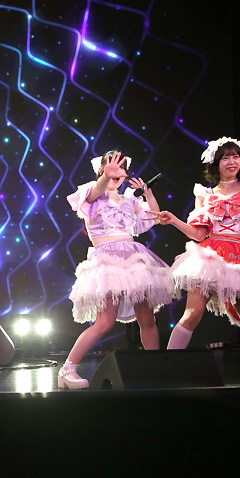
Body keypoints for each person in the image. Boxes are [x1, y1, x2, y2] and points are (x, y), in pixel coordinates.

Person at [150, 89, 240, 386]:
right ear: (215, 163)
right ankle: (167, 369)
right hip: (210, 257)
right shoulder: (205, 194)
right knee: (192, 313)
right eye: (226, 157)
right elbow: (198, 234)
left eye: (235, 156)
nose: (232, 161)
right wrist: (173, 219)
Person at [60, 151, 174, 389]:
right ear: (102, 170)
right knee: (104, 322)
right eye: (111, 167)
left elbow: (152, 219)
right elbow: (97, 190)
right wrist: (105, 177)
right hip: (107, 263)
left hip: (134, 260)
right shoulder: (92, 193)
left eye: (121, 168)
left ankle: (155, 368)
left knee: (147, 317)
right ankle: (67, 370)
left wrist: (149, 195)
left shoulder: (130, 200)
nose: (117, 172)